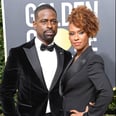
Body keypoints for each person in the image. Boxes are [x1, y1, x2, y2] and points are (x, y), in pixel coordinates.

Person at [0, 4, 72, 116]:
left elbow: (70, 91)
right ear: (34, 24)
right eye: (44, 21)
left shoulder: (66, 55)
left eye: (53, 21)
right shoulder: (18, 53)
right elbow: (6, 93)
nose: (49, 25)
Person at [59, 5, 113, 116]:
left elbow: (107, 92)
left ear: (89, 33)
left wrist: (89, 115)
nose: (76, 38)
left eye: (81, 32)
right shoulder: (72, 58)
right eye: (72, 33)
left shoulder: (93, 60)